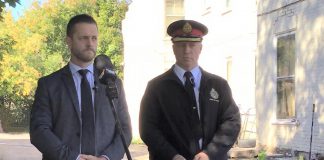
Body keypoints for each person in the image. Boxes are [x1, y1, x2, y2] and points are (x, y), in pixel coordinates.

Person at [30, 14, 132, 160]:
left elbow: (125, 129)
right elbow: (39, 130)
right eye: (83, 38)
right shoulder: (49, 84)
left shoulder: (113, 82)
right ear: (69, 41)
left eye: (94, 38)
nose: (90, 43)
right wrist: (73, 158)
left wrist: (106, 158)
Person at [139, 20, 241, 160]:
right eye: (181, 45)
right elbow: (148, 128)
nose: (187, 50)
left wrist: (209, 153)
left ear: (200, 48)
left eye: (192, 45)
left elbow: (231, 122)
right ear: (173, 48)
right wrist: (172, 156)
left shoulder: (218, 85)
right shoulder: (157, 87)